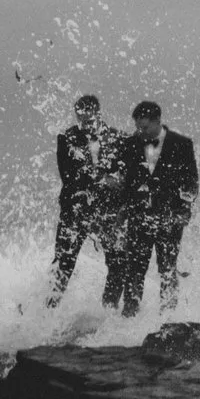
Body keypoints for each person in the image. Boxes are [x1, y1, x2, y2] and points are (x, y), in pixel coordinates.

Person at [102, 99, 197, 316]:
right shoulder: (128, 144)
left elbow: (191, 181)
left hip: (170, 218)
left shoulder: (182, 144)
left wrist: (184, 210)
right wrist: (110, 183)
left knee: (167, 270)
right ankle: (130, 316)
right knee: (134, 271)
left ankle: (168, 318)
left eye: (144, 127)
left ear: (158, 122)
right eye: (137, 127)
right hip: (138, 217)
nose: (140, 132)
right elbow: (112, 173)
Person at [47, 94, 115, 306]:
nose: (84, 124)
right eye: (80, 119)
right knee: (63, 261)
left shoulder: (115, 138)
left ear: (98, 113)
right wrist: (99, 178)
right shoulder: (66, 138)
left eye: (88, 119)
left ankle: (110, 311)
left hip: (106, 210)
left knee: (116, 262)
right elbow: (68, 177)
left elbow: (121, 177)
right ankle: (48, 309)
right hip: (74, 210)